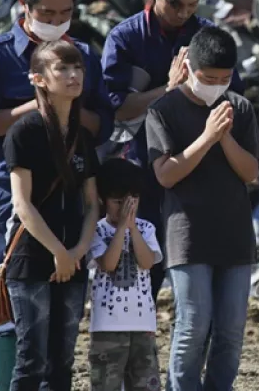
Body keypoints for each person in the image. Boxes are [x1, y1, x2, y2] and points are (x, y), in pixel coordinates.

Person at [0, 0, 113, 373]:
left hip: (70, 199)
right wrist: (41, 105)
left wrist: (70, 104)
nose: (56, 21)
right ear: (24, 5)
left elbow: (104, 125)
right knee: (7, 312)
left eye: (65, 14)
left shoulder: (83, 55)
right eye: (46, 14)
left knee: (60, 323)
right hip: (13, 200)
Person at [100, 0, 245, 302]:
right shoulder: (126, 39)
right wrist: (168, 90)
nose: (183, 14)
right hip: (140, 175)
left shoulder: (207, 38)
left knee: (196, 288)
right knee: (135, 285)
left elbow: (233, 100)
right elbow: (115, 107)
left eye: (192, 6)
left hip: (197, 176)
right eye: (176, 4)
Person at [145, 26, 259, 391]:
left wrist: (224, 136)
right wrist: (207, 136)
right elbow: (165, 174)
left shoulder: (239, 109)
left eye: (224, 79)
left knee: (230, 330)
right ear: (189, 68)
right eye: (208, 78)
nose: (216, 85)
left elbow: (251, 172)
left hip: (234, 235)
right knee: (193, 324)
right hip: (188, 234)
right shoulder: (163, 110)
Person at [3, 40, 100, 390]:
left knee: (63, 362)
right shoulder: (23, 133)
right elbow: (22, 204)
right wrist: (58, 251)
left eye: (78, 68)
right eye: (62, 68)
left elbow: (92, 204)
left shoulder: (82, 138)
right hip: (31, 259)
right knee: (32, 360)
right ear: (39, 79)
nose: (73, 75)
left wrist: (77, 252)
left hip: (73, 261)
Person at [88, 158, 163, 391]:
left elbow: (148, 261)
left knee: (144, 383)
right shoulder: (96, 230)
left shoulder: (146, 228)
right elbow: (108, 264)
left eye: (131, 201)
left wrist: (132, 228)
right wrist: (121, 229)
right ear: (103, 200)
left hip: (143, 325)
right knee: (106, 384)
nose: (125, 209)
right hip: (107, 326)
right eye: (117, 202)